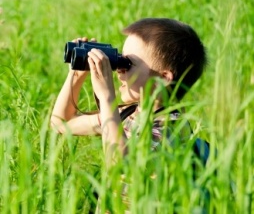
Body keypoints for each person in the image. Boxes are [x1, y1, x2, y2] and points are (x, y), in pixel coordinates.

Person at [50, 18, 208, 212]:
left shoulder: (171, 129)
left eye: (128, 64)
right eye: (119, 60)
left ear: (164, 78)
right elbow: (62, 123)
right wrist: (76, 74)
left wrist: (107, 98)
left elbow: (120, 164)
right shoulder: (129, 113)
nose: (118, 70)